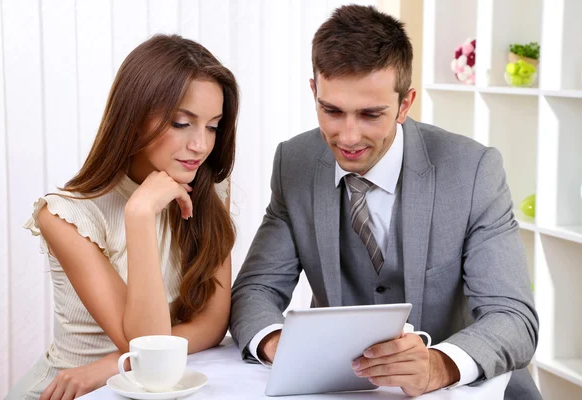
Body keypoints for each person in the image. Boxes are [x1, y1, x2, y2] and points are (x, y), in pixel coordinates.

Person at [230, 5, 540, 399]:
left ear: (405, 104)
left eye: (371, 114)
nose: (348, 136)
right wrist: (278, 343)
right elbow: (254, 291)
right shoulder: (294, 163)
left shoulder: (473, 170)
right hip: (343, 391)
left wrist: (438, 365)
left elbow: (514, 318)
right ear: (314, 92)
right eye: (332, 111)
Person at [6, 34, 239, 400]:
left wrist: (112, 364)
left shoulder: (210, 192)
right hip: (71, 391)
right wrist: (141, 214)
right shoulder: (65, 215)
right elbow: (147, 345)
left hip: (139, 382)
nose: (201, 145)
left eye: (212, 126)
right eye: (182, 123)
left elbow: (212, 323)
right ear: (134, 118)